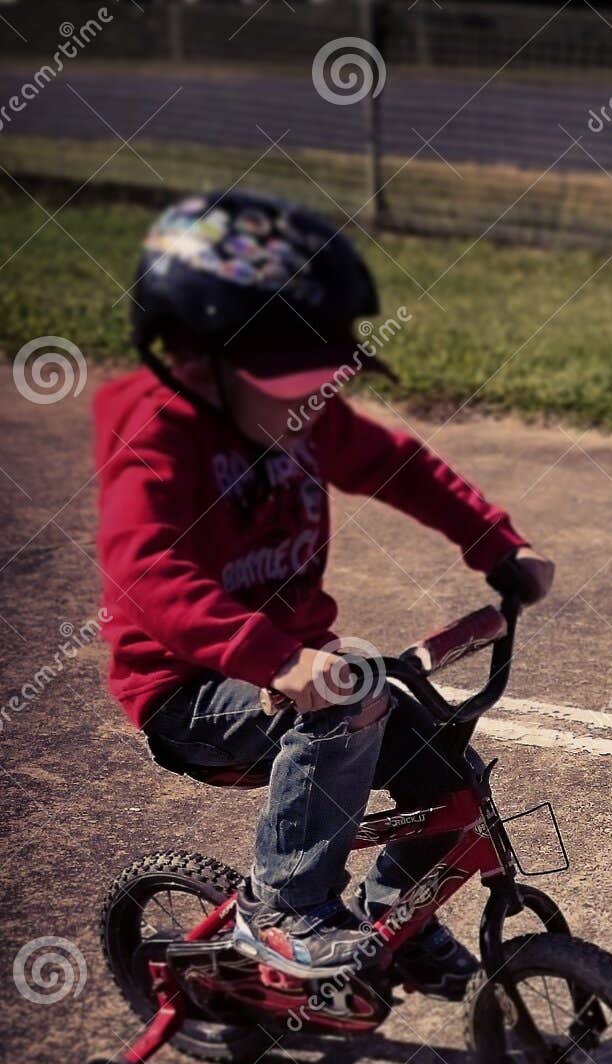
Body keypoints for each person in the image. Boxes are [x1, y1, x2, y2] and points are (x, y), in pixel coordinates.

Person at [95, 189, 553, 992]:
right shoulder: (157, 436)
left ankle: (395, 920)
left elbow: (399, 466)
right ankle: (283, 911)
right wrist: (277, 661)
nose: (313, 406)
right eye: (290, 382)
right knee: (350, 698)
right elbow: (148, 576)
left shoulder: (299, 416)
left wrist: (497, 545)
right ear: (197, 357)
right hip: (192, 692)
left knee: (446, 762)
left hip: (294, 666)